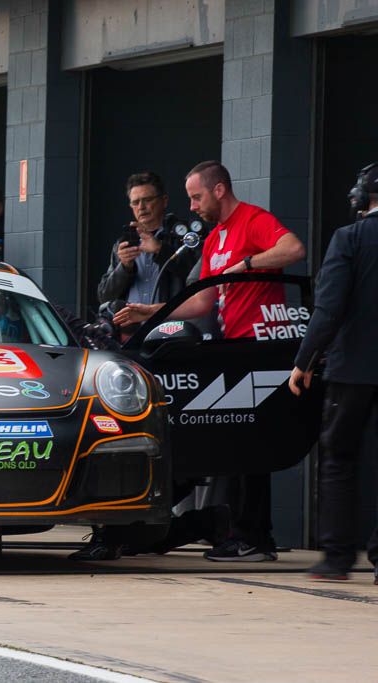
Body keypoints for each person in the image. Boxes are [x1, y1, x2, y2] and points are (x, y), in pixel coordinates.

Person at [115, 160, 306, 562]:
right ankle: (243, 533)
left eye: (196, 196)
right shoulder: (215, 236)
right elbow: (203, 299)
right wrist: (149, 312)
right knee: (235, 446)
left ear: (219, 190)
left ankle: (255, 537)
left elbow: (294, 248)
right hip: (229, 349)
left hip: (260, 348)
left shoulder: (252, 220)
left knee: (253, 446)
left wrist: (249, 265)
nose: (192, 206)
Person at [288, 163, 378, 583]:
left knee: (339, 458)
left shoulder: (349, 239)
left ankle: (337, 557)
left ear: (362, 198)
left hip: (352, 371)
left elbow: (328, 309)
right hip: (355, 367)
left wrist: (304, 361)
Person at [97, 172, 200, 310]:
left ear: (164, 201)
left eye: (147, 200)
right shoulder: (124, 243)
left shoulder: (183, 235)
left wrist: (160, 249)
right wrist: (125, 267)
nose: (141, 207)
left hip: (170, 327)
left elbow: (198, 279)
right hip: (133, 329)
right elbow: (104, 296)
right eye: (135, 202)